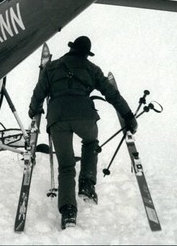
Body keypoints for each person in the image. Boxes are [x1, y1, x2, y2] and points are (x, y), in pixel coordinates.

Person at [28, 36, 137, 229]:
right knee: (90, 142)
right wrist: (128, 116)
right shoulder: (93, 69)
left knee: (66, 166)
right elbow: (112, 94)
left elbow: (39, 93)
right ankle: (87, 183)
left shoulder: (51, 67)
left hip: (58, 118)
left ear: (71, 49)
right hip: (84, 116)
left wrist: (33, 109)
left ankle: (68, 213)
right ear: (86, 54)